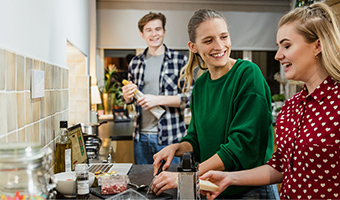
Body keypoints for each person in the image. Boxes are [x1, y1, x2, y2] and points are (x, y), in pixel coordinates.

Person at [200, 2, 340, 200]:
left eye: (287, 45)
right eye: (278, 46)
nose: (278, 55)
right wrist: (229, 178)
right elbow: (279, 167)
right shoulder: (290, 108)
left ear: (317, 45)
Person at [150, 8, 277, 199]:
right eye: (209, 40)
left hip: (250, 191)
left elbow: (241, 147)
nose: (219, 46)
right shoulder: (200, 85)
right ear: (193, 47)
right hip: (213, 189)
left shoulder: (248, 74)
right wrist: (175, 148)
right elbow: (195, 139)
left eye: (224, 37)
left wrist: (186, 177)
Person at [122, 12, 190, 165]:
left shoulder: (180, 60)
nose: (154, 34)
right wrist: (127, 96)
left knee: (172, 185)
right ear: (142, 34)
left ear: (164, 32)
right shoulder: (135, 62)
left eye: (158, 29)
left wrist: (157, 100)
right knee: (144, 185)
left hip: (170, 137)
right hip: (140, 138)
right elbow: (129, 100)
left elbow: (190, 98)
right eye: (149, 30)